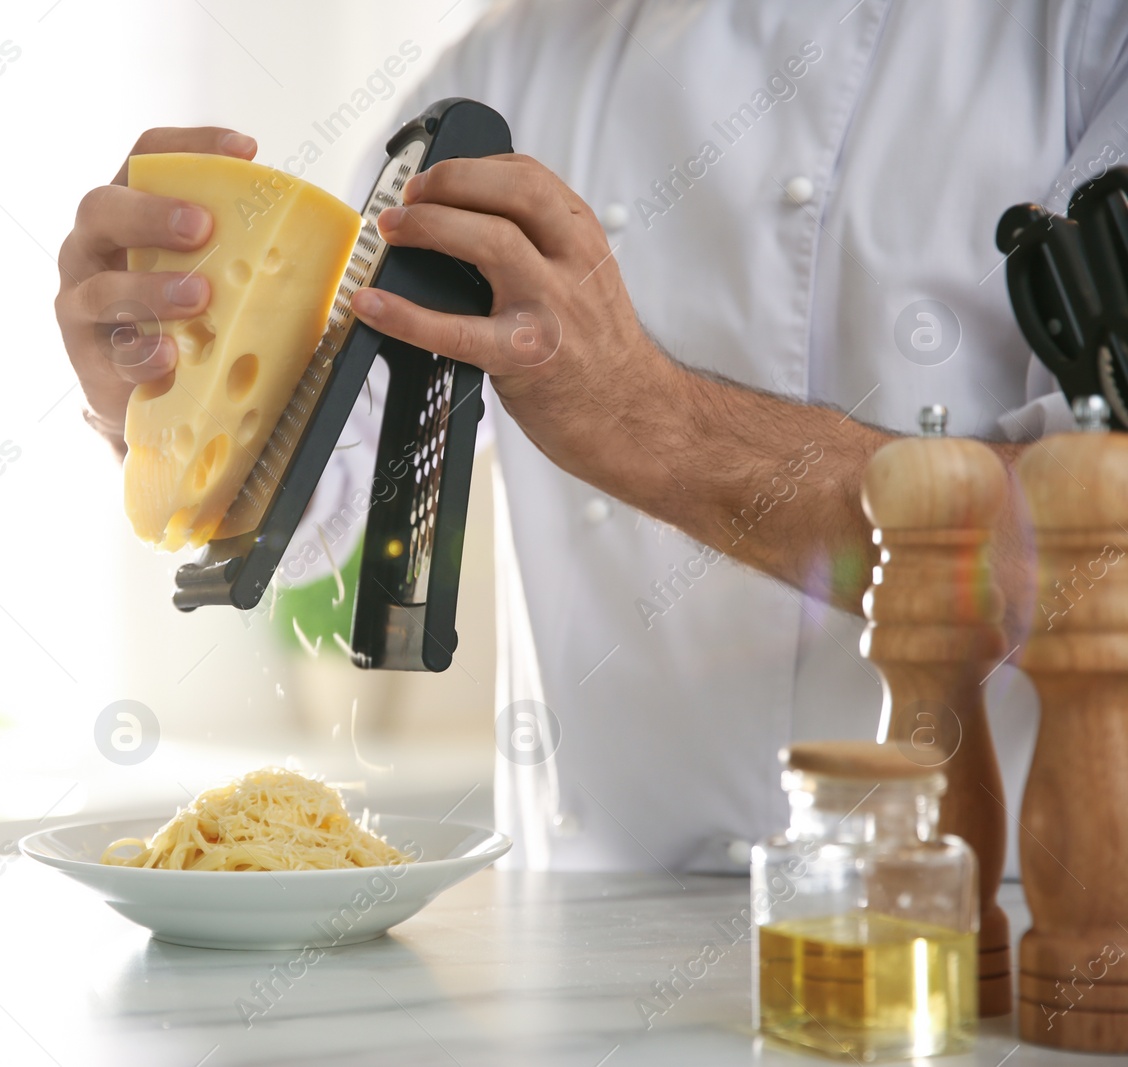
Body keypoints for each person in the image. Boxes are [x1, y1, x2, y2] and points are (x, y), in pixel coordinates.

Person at [55, 1, 1128, 874]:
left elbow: (1098, 553)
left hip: (981, 935)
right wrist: (161, 380)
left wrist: (644, 421)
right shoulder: (506, 61)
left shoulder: (1080, 32)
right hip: (590, 941)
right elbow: (317, 494)